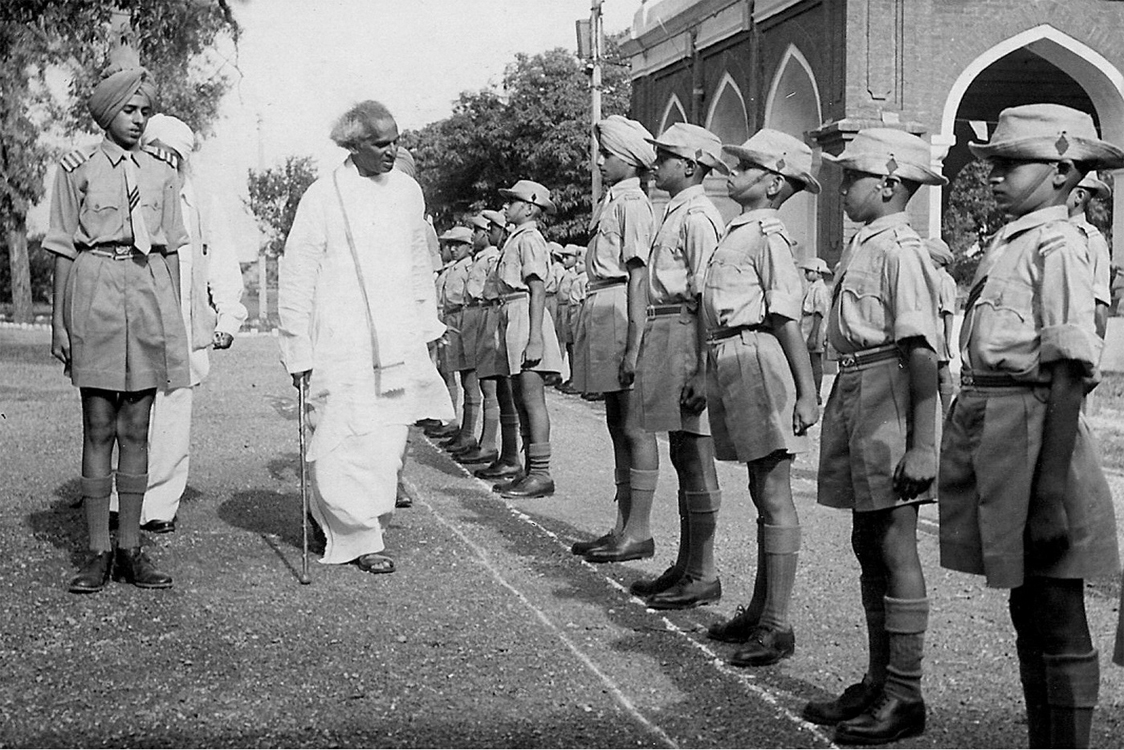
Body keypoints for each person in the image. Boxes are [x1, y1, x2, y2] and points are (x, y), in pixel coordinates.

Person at [940, 103, 1122, 748]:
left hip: (1039, 428)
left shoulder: (1063, 245)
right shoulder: (1013, 236)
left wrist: (1048, 497)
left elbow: (1071, 367)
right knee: (1026, 601)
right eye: (994, 160)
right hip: (998, 423)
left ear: (1064, 171)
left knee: (1057, 604)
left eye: (1012, 162)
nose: (994, 172)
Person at [805, 128, 944, 744]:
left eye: (852, 176)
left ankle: (905, 693)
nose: (842, 186)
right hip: (858, 387)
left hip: (889, 388)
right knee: (868, 539)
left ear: (889, 183)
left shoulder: (901, 251)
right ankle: (879, 677)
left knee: (894, 543)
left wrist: (922, 444)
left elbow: (920, 352)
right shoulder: (864, 245)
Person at [278, 100, 454, 575]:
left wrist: (428, 326)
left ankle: (364, 523)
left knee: (387, 440)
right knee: (341, 433)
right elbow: (297, 273)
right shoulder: (322, 195)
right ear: (353, 145)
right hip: (340, 338)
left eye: (396, 140)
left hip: (397, 337)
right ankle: (354, 534)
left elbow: (419, 265)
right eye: (382, 143)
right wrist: (296, 346)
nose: (393, 150)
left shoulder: (407, 193)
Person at [45, 52, 189, 593]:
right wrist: (60, 324)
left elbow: (171, 249)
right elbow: (62, 247)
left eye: (145, 111)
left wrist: (172, 316)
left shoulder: (162, 173)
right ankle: (96, 551)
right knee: (99, 425)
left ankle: (131, 547)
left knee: (138, 427)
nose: (137, 119)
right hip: (96, 291)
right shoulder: (75, 171)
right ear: (106, 114)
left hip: (147, 292)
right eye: (128, 110)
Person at [702, 129, 821, 665]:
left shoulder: (768, 236)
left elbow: (786, 319)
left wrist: (806, 392)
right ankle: (759, 609)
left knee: (773, 491)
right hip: (732, 354)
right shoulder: (739, 229)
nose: (734, 171)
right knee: (758, 488)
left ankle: (778, 624)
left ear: (773, 182)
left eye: (746, 167)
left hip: (757, 357)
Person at [108, 114, 246, 535]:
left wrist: (228, 316)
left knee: (171, 415)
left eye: (174, 158)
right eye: (157, 154)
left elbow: (221, 259)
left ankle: (159, 506)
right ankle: (118, 500)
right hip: (131, 317)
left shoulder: (200, 201)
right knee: (126, 410)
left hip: (182, 324)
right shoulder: (122, 188)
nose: (164, 164)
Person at [623, 123, 726, 609]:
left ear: (689, 166)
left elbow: (706, 295)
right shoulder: (676, 212)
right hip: (668, 331)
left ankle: (703, 571)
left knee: (695, 453)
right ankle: (686, 564)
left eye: (664, 157)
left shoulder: (699, 216)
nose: (656, 164)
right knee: (683, 453)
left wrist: (704, 368)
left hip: (688, 334)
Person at [569, 116, 661, 566]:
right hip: (603, 305)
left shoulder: (634, 204)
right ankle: (623, 525)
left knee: (634, 424)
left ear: (631, 159)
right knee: (615, 422)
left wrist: (633, 344)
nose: (600, 161)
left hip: (622, 308)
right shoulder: (610, 201)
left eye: (607, 155)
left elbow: (639, 275)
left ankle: (639, 530)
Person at [489, 180, 565, 499]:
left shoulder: (530, 239)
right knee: (520, 397)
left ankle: (541, 473)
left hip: (525, 316)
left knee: (532, 399)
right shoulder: (516, 238)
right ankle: (527, 470)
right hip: (513, 314)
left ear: (530, 207)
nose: (506, 207)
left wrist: (535, 339)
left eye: (513, 202)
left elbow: (536, 289)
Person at [473, 209, 526, 485]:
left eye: (494, 228)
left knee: (509, 389)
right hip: (495, 316)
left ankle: (514, 458)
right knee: (502, 391)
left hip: (507, 315)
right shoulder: (504, 251)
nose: (491, 233)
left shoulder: (507, 250)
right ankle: (508, 456)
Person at [455, 214, 503, 467]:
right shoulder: (479, 259)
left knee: (487, 383)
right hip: (474, 312)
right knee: (474, 378)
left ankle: (488, 443)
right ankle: (474, 438)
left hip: (484, 311)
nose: (473, 235)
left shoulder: (492, 257)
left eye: (477, 230)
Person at [435, 227, 481, 459]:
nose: (453, 248)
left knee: (468, 378)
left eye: (459, 244)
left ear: (469, 247)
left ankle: (468, 432)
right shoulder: (450, 268)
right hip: (450, 318)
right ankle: (454, 422)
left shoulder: (470, 266)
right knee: (449, 371)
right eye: (450, 244)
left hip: (465, 319)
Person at [1067, 170, 1112, 339]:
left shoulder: (1091, 240)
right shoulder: (1043, 232)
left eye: (1061, 191)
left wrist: (1093, 356)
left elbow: (1100, 304)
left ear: (1079, 196)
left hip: (1072, 340)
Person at [924, 237, 958, 415]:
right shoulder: (932, 278)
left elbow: (948, 312)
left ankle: (945, 412)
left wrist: (947, 340)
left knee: (943, 371)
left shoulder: (945, 281)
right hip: (929, 330)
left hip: (939, 332)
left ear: (938, 260)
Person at [798, 256, 830, 404]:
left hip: (814, 328)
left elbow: (819, 312)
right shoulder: (813, 288)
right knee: (809, 362)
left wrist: (813, 335)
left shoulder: (821, 289)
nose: (806, 274)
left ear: (818, 272)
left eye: (809, 271)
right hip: (806, 327)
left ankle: (816, 393)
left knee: (815, 361)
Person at [553, 243, 581, 393]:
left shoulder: (576, 275)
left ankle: (575, 378)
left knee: (573, 344)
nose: (564, 260)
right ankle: (571, 377)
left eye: (567, 257)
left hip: (570, 307)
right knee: (567, 342)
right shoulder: (567, 273)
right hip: (563, 307)